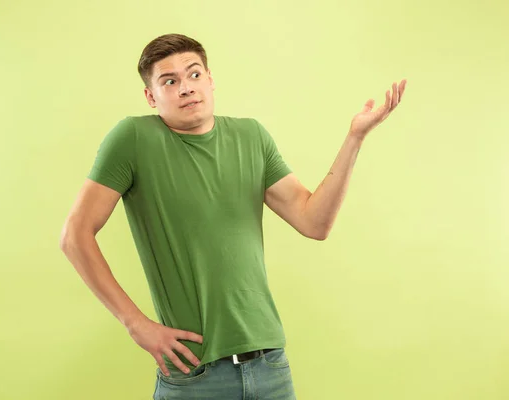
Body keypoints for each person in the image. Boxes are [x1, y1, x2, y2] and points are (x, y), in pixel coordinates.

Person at [59, 33, 406, 399]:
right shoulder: (132, 139)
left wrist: (354, 138)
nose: (186, 88)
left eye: (194, 75)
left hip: (270, 367)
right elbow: (75, 235)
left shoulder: (251, 136)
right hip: (195, 374)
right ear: (151, 96)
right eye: (169, 81)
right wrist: (135, 324)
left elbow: (314, 222)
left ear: (210, 80)